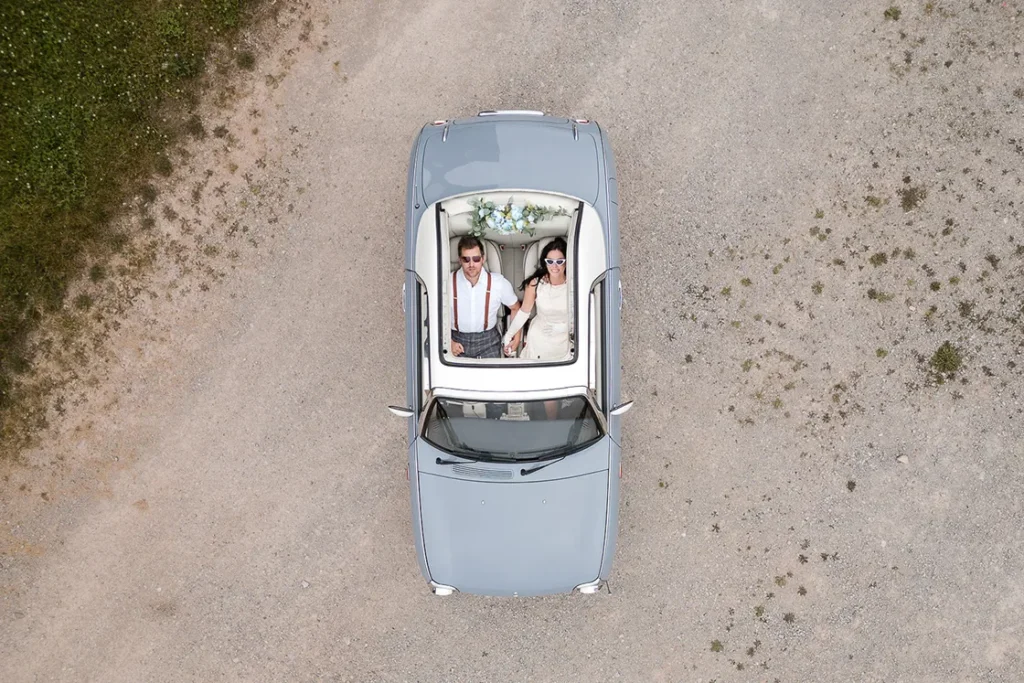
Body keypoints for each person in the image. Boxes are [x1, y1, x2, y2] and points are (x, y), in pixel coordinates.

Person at [450, 236, 521, 358]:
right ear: (459, 260)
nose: (471, 264)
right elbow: (434, 314)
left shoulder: (498, 282)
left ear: (483, 259)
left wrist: (516, 337)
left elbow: (515, 308)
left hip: (489, 342)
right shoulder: (447, 282)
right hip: (456, 340)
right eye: (466, 259)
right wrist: (448, 341)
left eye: (476, 259)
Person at [502, 237, 570, 360]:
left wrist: (564, 328)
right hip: (540, 338)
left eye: (559, 261)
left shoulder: (574, 284)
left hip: (565, 339)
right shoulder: (536, 283)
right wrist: (509, 334)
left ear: (566, 262)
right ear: (545, 263)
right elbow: (524, 312)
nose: (554, 266)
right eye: (550, 261)